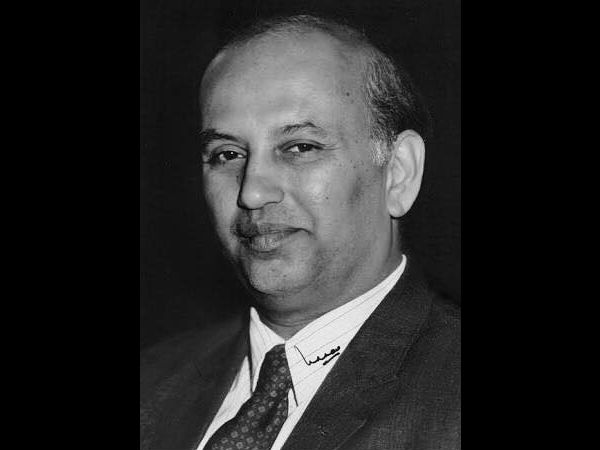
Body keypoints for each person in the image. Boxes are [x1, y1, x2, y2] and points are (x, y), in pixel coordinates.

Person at [140, 14, 460, 450]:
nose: (252, 192)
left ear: (399, 173)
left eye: (300, 148)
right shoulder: (152, 382)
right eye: (227, 154)